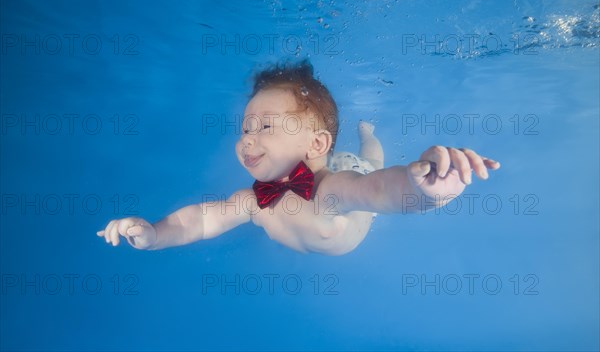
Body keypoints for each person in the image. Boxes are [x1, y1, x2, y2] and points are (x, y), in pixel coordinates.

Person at [97, 60, 500, 255]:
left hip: (351, 177)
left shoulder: (331, 193)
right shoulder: (252, 201)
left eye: (266, 127)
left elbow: (379, 191)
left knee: (370, 163)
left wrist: (426, 189)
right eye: (246, 128)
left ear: (315, 145)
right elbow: (201, 220)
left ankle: (368, 133)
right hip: (329, 164)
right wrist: (152, 233)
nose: (248, 139)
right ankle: (364, 135)